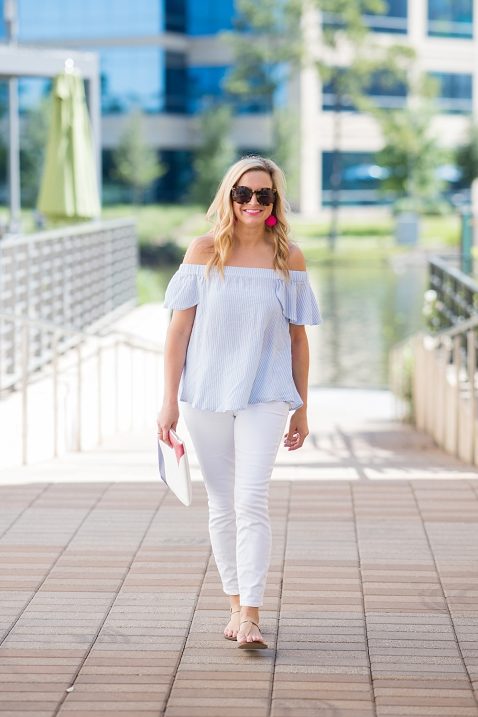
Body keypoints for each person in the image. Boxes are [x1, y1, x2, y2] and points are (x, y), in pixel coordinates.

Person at [157, 156, 321, 649]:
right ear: (228, 196)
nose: (252, 202)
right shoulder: (204, 250)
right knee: (222, 504)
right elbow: (178, 330)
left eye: (263, 195)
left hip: (266, 393)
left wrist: (303, 406)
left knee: (252, 500)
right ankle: (233, 602)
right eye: (243, 193)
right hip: (205, 392)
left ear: (275, 203)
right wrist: (167, 402)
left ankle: (251, 614)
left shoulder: (288, 257)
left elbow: (298, 340)